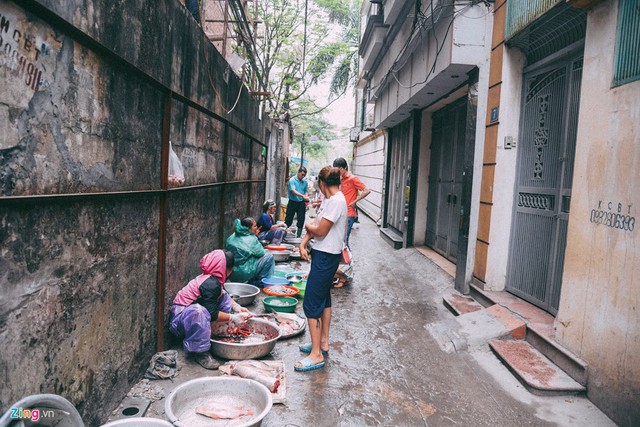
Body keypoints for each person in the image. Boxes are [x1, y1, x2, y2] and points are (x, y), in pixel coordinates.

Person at [295, 166, 347, 372]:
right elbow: (316, 224)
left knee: (311, 303)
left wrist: (307, 227)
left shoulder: (336, 201)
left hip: (327, 257)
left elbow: (320, 230)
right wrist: (303, 242)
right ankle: (322, 343)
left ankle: (316, 355)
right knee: (324, 299)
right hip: (323, 254)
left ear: (323, 184)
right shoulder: (330, 199)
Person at [169, 250, 252, 370]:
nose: (231, 271)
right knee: (199, 312)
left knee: (222, 297)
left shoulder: (213, 281)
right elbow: (212, 313)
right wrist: (233, 318)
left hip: (188, 318)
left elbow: (224, 296)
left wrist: (237, 308)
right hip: (179, 323)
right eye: (230, 268)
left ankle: (213, 332)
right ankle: (200, 353)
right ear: (225, 269)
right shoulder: (210, 284)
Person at [332, 158, 371, 250]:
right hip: (340, 213)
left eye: (337, 170)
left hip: (349, 214)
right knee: (340, 240)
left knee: (344, 241)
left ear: (343, 168)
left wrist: (354, 202)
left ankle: (348, 262)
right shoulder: (340, 180)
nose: (336, 172)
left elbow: (367, 190)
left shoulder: (353, 179)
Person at [225, 217, 275, 287]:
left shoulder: (231, 237)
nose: (256, 227)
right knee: (269, 256)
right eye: (254, 226)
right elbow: (261, 253)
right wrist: (255, 237)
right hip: (245, 273)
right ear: (248, 228)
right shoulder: (251, 239)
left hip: (231, 274)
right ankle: (258, 281)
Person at [285, 166, 310, 238]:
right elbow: (293, 191)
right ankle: (284, 232)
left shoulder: (305, 182)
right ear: (298, 172)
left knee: (301, 219)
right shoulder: (292, 180)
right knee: (288, 218)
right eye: (302, 174)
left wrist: (305, 196)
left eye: (304, 175)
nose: (303, 176)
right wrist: (302, 196)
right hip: (292, 201)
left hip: (301, 203)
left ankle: (298, 235)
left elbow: (306, 191)